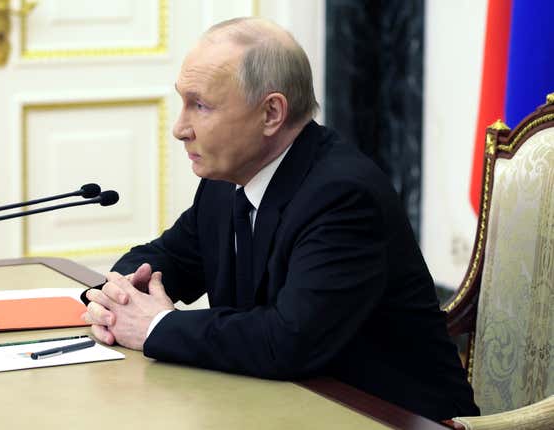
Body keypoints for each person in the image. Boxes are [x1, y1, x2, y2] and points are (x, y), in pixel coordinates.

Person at [82, 17, 479, 421]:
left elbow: (288, 341)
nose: (180, 128)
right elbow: (168, 257)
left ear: (271, 113)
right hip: (279, 408)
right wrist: (120, 297)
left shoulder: (342, 196)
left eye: (200, 105)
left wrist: (156, 327)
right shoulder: (226, 179)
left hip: (388, 416)